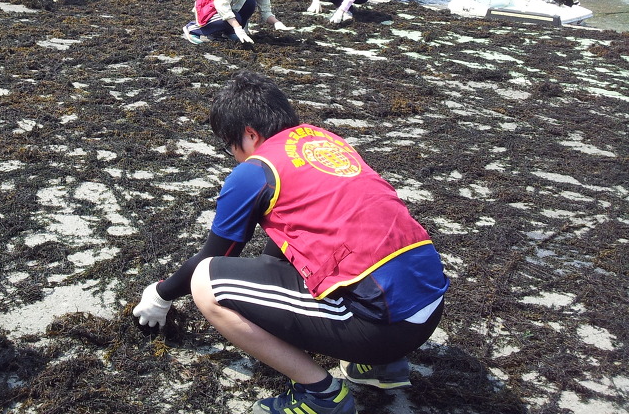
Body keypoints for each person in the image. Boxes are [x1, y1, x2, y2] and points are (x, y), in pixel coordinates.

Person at [132, 71, 449, 414]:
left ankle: (322, 396)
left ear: (249, 134)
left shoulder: (256, 171)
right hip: (428, 308)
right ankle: (380, 367)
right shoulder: (322, 140)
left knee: (206, 284)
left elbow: (217, 254)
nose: (234, 156)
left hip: (382, 329)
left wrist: (160, 294)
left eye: (229, 146)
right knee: (319, 248)